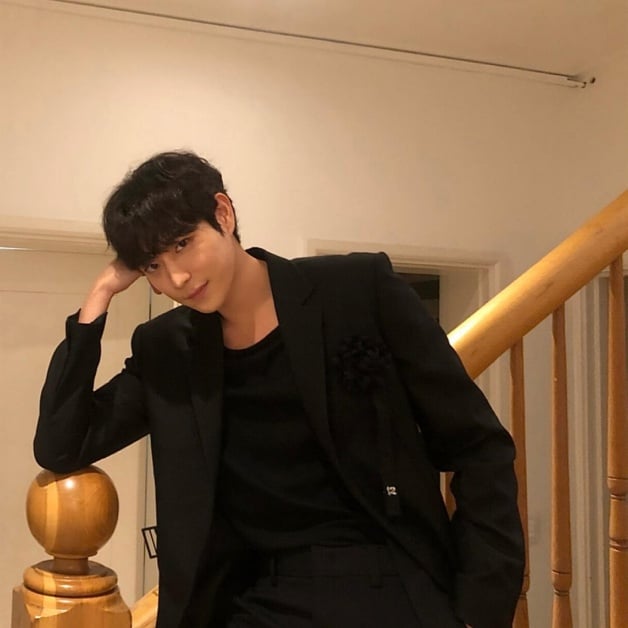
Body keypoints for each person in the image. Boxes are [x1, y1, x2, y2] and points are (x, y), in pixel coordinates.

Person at [35, 151, 524, 628]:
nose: (177, 277)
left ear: (223, 214)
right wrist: (97, 300)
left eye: (182, 244)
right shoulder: (168, 348)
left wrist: (479, 609)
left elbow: (477, 444)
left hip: (385, 580)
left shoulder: (356, 289)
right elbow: (62, 444)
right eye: (152, 266)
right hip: (247, 597)